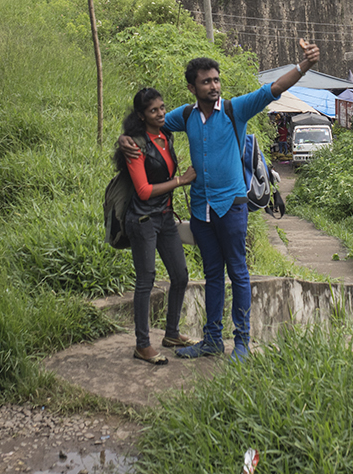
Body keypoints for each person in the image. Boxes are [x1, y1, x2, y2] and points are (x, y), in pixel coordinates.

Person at [122, 39, 319, 361]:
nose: (213, 86)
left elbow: (273, 88)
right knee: (213, 274)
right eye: (206, 81)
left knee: (238, 273)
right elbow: (148, 123)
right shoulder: (184, 116)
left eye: (216, 79)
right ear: (192, 87)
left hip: (232, 206)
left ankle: (242, 341)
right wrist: (125, 137)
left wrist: (305, 65)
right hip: (201, 211)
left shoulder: (234, 109)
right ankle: (212, 339)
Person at [114, 87, 195, 365]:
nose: (160, 113)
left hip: (165, 217)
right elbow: (144, 190)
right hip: (143, 220)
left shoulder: (165, 134)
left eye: (162, 108)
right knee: (145, 280)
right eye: (153, 110)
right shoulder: (135, 144)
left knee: (180, 275)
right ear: (141, 115)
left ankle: (171, 333)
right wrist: (181, 181)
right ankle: (142, 345)